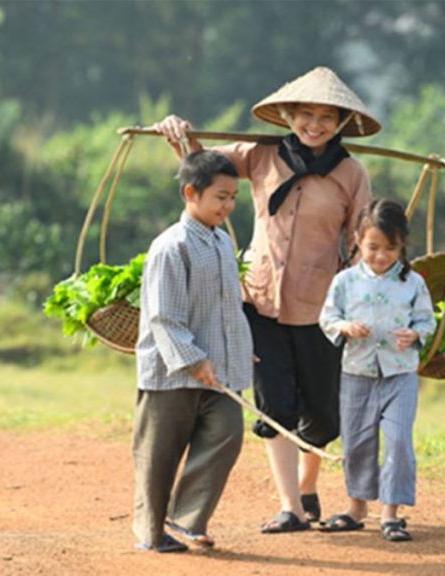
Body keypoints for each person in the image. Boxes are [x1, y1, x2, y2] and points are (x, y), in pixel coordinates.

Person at [154, 66, 380, 533]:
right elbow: (203, 165)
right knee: (274, 402)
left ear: (339, 123)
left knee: (322, 410)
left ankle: (307, 484)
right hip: (259, 301)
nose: (313, 125)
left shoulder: (351, 173)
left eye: (325, 118)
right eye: (305, 115)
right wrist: (178, 131)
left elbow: (362, 239)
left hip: (322, 308)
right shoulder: (260, 155)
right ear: (288, 115)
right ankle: (290, 507)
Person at [132, 149, 253, 552]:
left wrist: (239, 350)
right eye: (220, 196)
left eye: (233, 197)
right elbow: (163, 318)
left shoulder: (221, 243)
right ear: (191, 192)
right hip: (171, 375)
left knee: (228, 433)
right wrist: (193, 359)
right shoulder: (171, 246)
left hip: (217, 373)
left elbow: (226, 307)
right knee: (159, 457)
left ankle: (186, 519)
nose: (228, 205)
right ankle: (151, 534)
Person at [316, 197, 436, 542]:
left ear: (401, 246)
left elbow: (427, 321)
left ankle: (391, 514)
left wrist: (415, 334)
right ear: (356, 239)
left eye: (390, 248)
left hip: (400, 374)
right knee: (357, 442)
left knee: (398, 441)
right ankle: (356, 508)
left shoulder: (414, 283)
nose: (380, 256)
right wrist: (344, 327)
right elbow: (327, 316)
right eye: (372, 247)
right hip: (357, 372)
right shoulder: (345, 281)